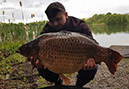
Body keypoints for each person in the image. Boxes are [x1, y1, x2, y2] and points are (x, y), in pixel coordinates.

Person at [29, 2, 98, 87]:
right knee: (41, 66)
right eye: (51, 21)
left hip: (80, 59)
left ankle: (79, 85)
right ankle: (58, 82)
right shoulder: (46, 31)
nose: (55, 24)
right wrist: (40, 64)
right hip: (57, 62)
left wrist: (92, 61)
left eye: (58, 19)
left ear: (66, 15)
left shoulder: (80, 26)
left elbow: (94, 45)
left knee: (92, 67)